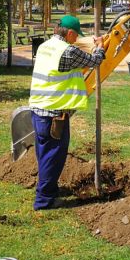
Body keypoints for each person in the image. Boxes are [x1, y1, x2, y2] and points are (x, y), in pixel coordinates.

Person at [28, 15, 105, 210]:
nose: (76, 39)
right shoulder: (68, 51)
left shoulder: (45, 46)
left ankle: (49, 191)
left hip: (38, 110)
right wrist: (101, 45)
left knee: (44, 154)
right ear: (69, 33)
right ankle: (44, 201)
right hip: (54, 115)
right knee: (53, 157)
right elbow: (95, 61)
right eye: (75, 36)